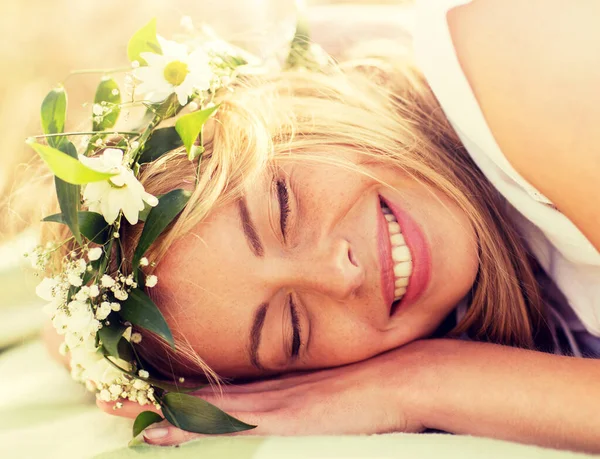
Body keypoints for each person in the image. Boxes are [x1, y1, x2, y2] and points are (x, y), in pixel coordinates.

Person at [28, 0, 600, 453]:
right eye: (294, 328)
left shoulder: (514, 65)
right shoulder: (474, 301)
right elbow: (66, 338)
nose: (338, 272)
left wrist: (428, 381)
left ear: (297, 108)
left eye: (281, 209)